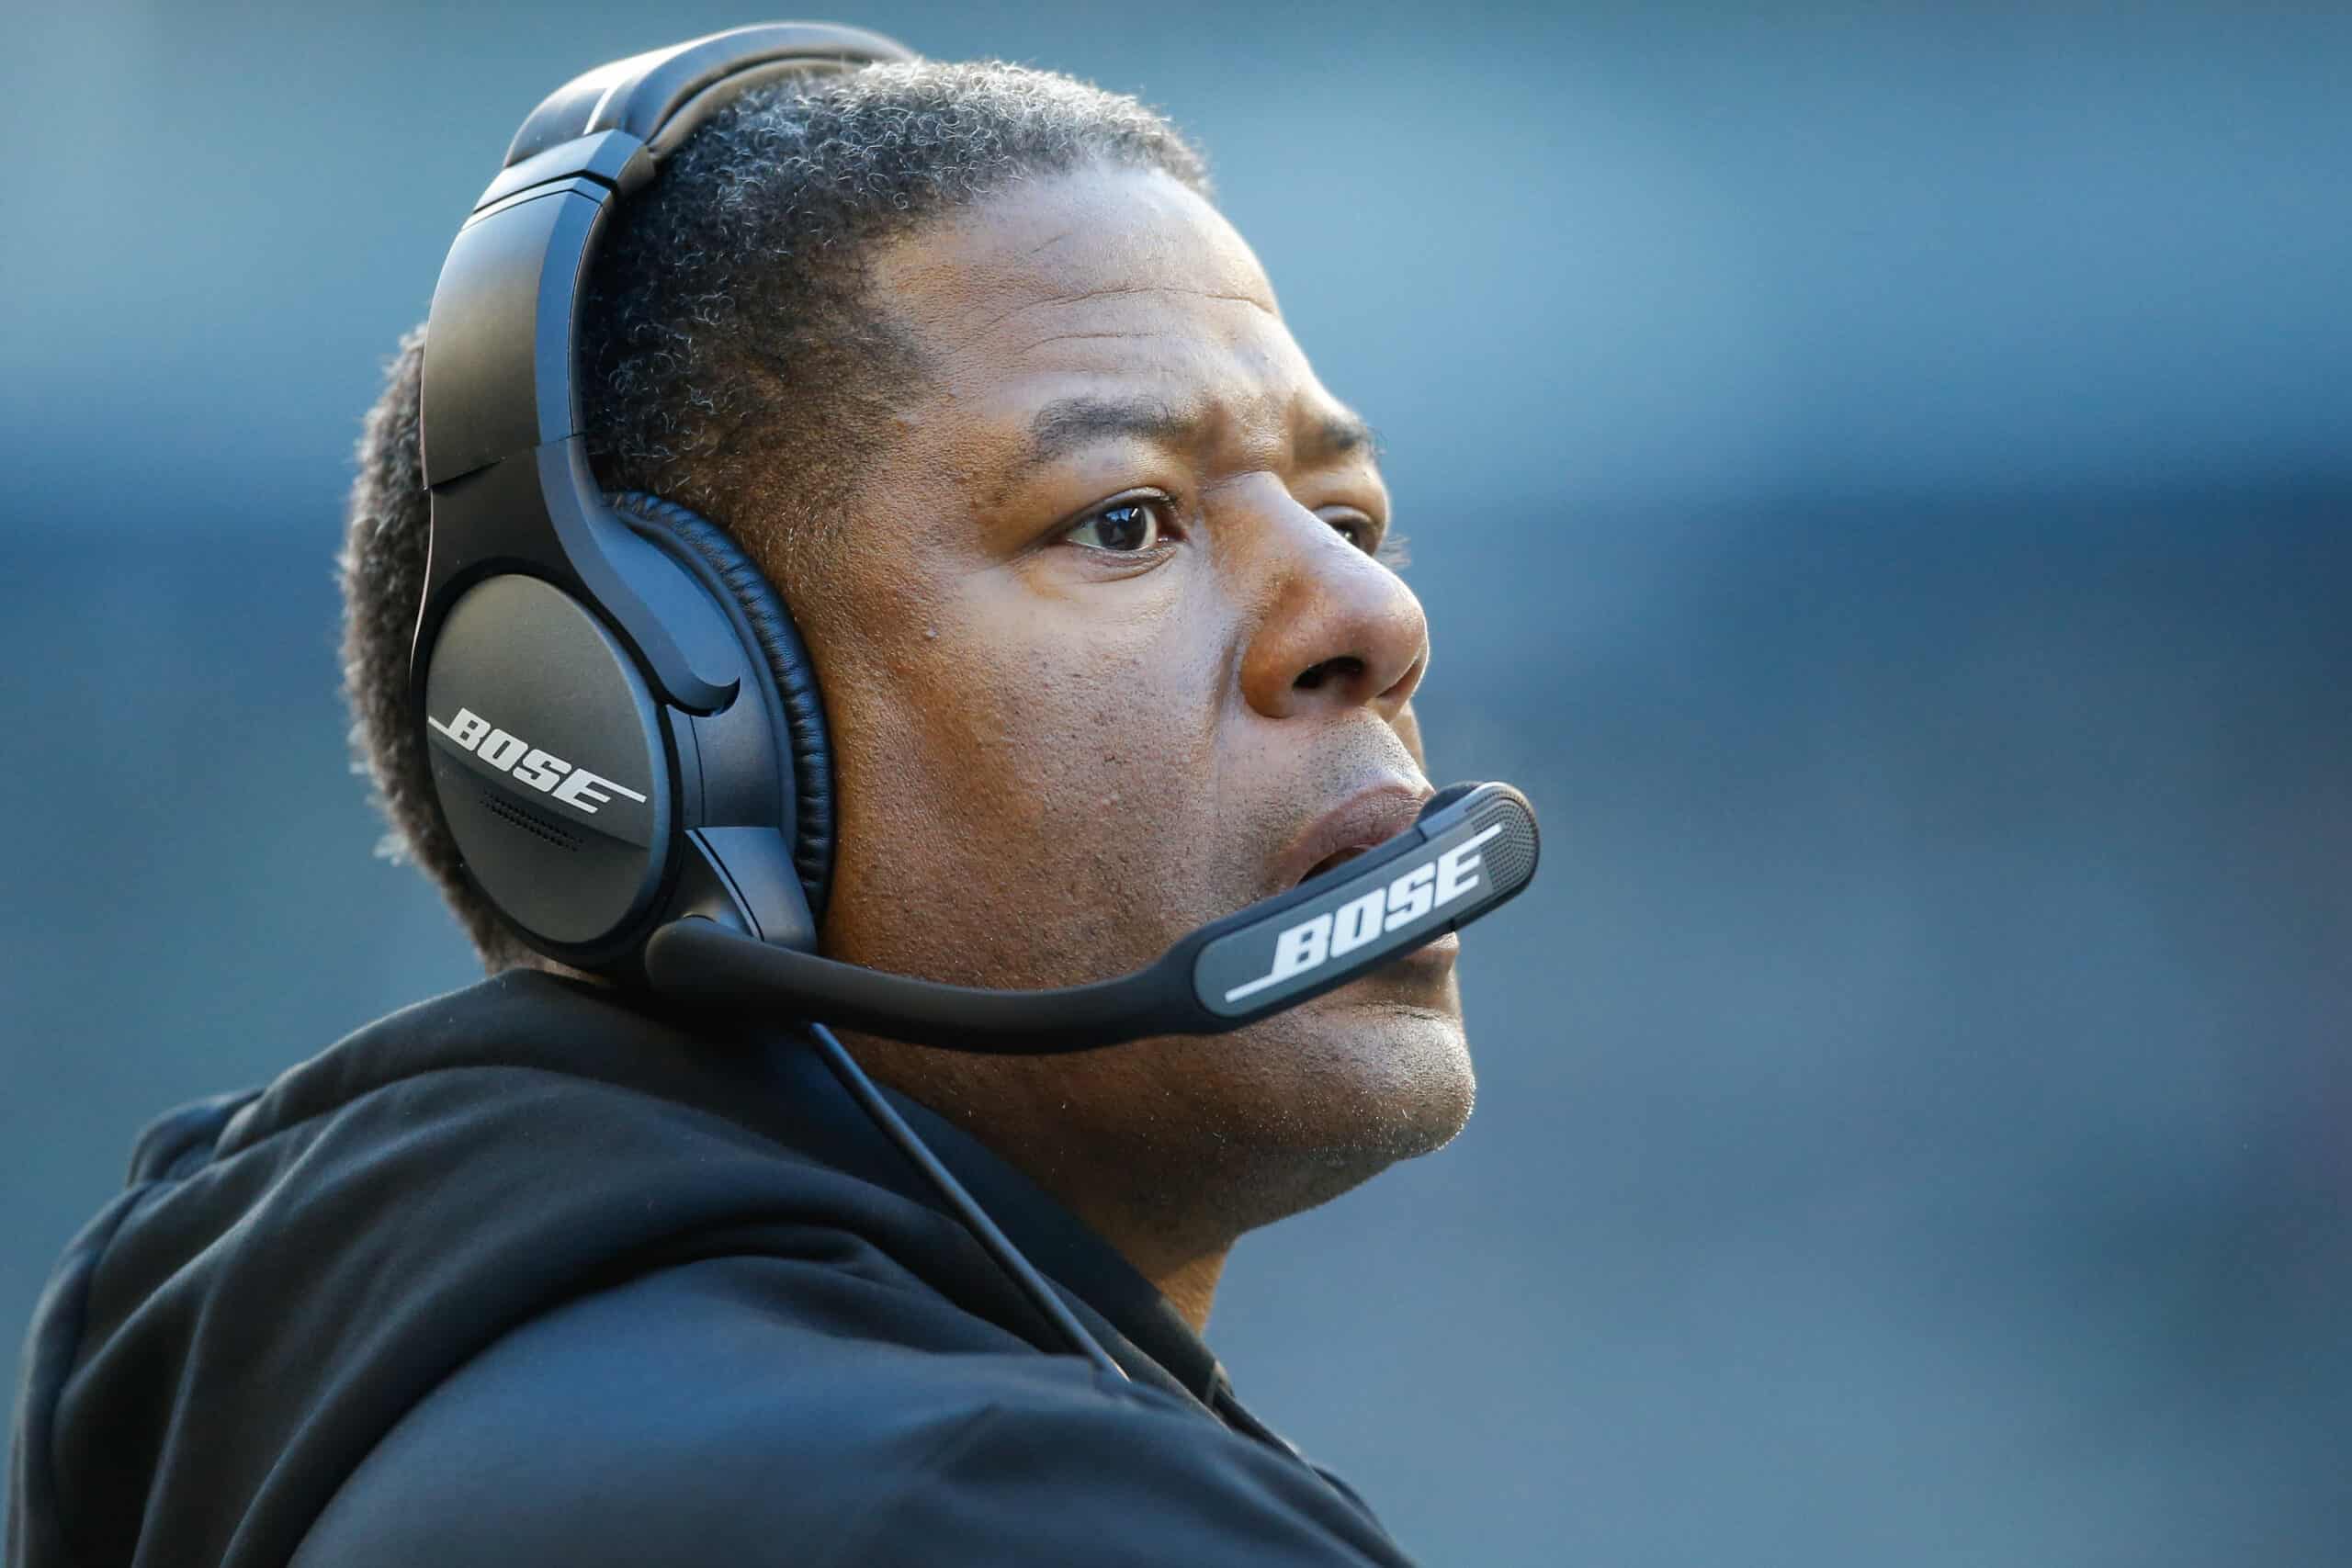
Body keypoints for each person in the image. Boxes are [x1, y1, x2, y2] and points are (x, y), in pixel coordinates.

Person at [9, 41, 1484, 1568]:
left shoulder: (405, 1432)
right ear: (653, 735)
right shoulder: (990, 1512)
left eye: (1345, 515)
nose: (1372, 615)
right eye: (1124, 522)